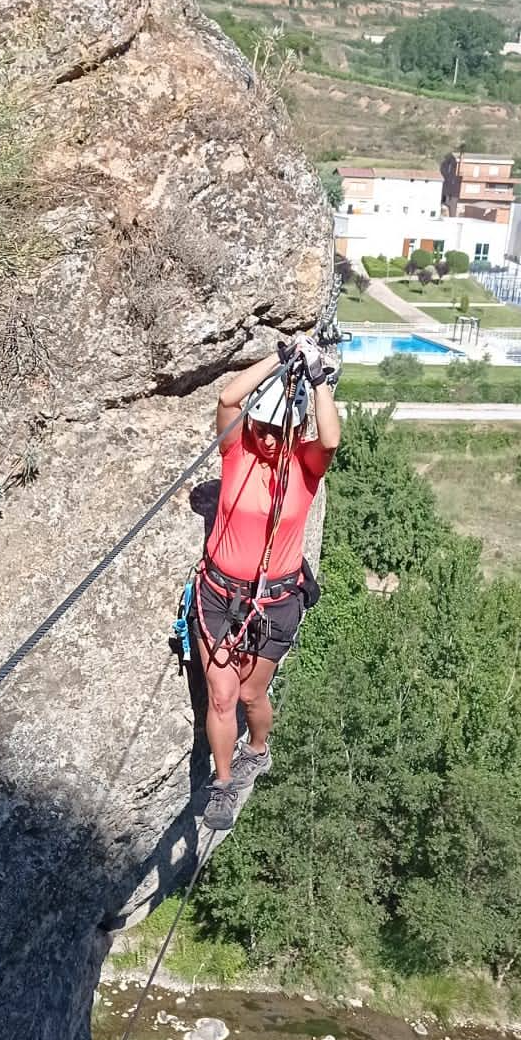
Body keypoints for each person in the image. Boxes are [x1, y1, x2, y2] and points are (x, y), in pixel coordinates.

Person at [194, 334, 340, 830]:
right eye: (264, 427)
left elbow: (330, 440)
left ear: (293, 429)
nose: (270, 438)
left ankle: (257, 749)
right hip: (219, 596)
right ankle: (222, 786)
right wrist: (277, 360)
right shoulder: (237, 452)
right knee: (222, 695)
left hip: (275, 603)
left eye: (280, 430)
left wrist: (318, 381)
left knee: (251, 695)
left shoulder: (305, 467)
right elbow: (227, 398)